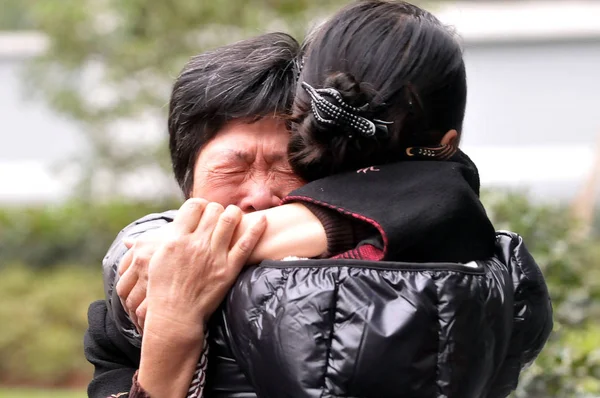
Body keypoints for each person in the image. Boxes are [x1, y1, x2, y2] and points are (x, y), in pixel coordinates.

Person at [86, 1, 553, 397]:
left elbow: (437, 192)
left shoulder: (398, 266)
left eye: (287, 167)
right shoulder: (131, 282)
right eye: (233, 167)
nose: (260, 195)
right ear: (187, 173)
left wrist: (206, 260)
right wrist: (171, 327)